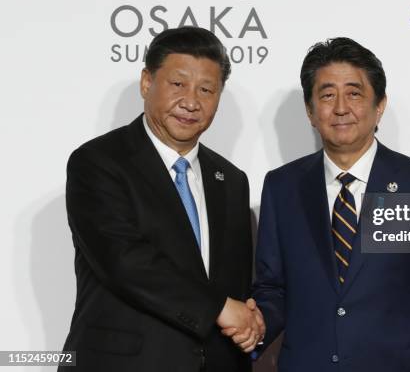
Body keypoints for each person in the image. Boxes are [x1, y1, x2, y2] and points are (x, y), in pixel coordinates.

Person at [252, 37, 410, 371]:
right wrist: (252, 326)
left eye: (354, 93)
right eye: (327, 95)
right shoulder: (281, 187)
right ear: (311, 111)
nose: (341, 107)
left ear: (379, 104)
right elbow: (272, 288)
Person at [60, 27, 264, 372]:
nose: (191, 101)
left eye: (206, 89)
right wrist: (219, 307)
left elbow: (235, 284)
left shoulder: (231, 180)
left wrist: (251, 320)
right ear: (146, 82)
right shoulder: (98, 162)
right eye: (177, 84)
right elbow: (125, 262)